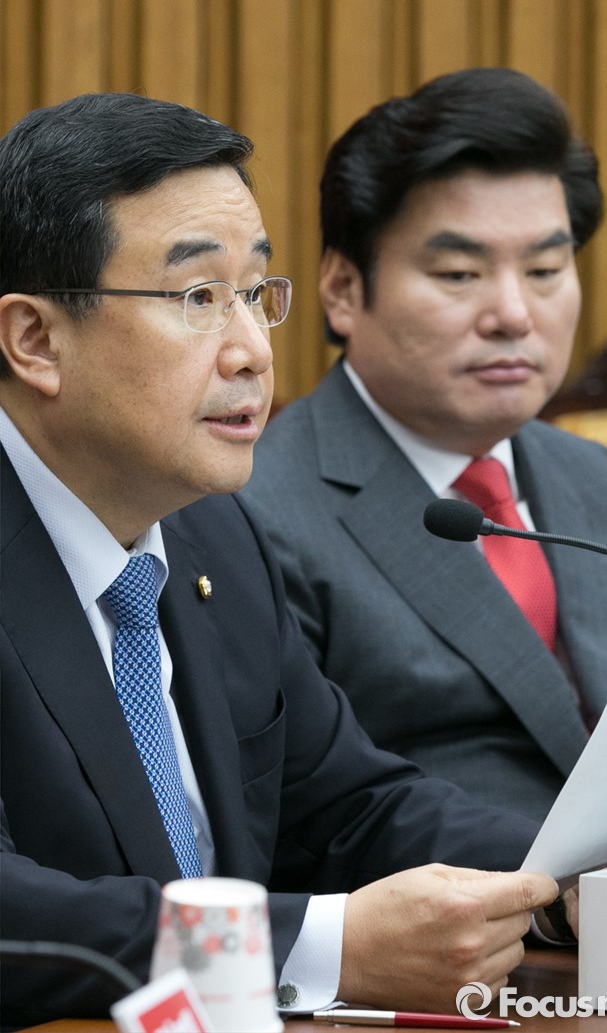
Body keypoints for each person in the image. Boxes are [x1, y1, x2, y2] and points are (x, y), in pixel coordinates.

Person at [0, 91, 565, 1030]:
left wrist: (566, 881)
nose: (253, 352)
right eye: (197, 298)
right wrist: (321, 945)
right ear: (35, 339)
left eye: (257, 294)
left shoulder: (215, 534)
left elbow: (346, 803)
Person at [244, 67, 607, 824]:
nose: (514, 314)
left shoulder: (594, 478)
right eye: (460, 273)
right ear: (344, 290)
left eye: (545, 269)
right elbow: (310, 813)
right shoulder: (257, 508)